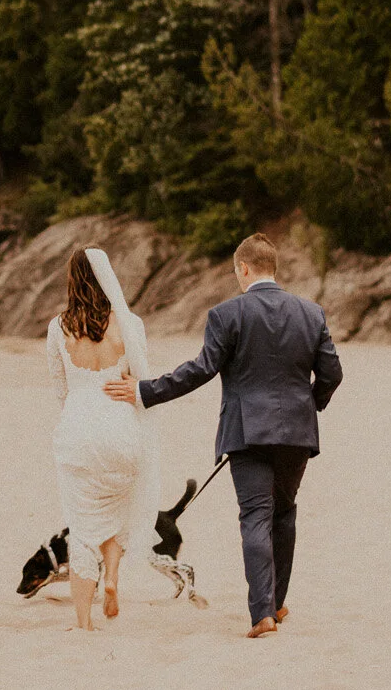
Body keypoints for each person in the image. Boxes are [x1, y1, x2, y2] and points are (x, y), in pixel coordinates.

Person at [109, 232, 341, 639]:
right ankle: (276, 604)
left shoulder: (226, 314)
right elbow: (332, 374)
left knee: (255, 515)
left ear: (244, 269)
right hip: (297, 433)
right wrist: (309, 405)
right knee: (284, 513)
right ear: (273, 268)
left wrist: (145, 391)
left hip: (247, 431)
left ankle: (261, 615)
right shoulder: (311, 312)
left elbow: (200, 369)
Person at [45, 247, 161, 631]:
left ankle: (83, 621)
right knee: (116, 512)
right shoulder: (131, 325)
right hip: (120, 430)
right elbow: (141, 380)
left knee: (82, 525)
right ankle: (112, 578)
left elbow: (60, 389)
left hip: (78, 431)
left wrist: (81, 402)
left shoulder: (58, 328)